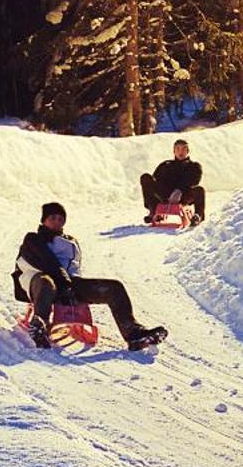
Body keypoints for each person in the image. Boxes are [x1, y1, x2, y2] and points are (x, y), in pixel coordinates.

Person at [14, 202, 167, 351]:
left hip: (70, 285)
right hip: (39, 281)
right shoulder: (33, 238)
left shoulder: (71, 241)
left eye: (60, 219)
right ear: (44, 220)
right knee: (47, 283)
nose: (56, 222)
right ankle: (40, 326)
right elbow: (47, 261)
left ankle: (133, 333)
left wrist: (71, 286)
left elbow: (74, 269)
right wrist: (64, 282)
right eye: (52, 218)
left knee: (114, 288)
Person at [140, 139, 205, 223]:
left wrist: (179, 190)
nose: (180, 151)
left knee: (199, 190)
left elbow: (194, 181)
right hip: (165, 195)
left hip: (183, 196)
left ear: (187, 151)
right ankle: (153, 210)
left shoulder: (194, 166)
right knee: (145, 178)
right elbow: (154, 180)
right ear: (174, 151)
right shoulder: (166, 164)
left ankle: (198, 216)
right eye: (177, 149)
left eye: (183, 149)